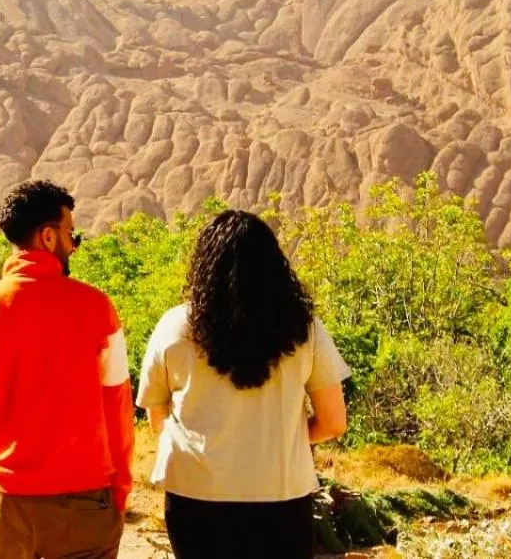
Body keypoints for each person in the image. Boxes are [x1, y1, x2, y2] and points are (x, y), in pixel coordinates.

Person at [136, 209, 350, 559]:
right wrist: (282, 438)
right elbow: (334, 421)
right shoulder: (303, 328)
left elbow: (157, 415)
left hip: (194, 495)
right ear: (273, 267)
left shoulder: (174, 326)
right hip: (280, 496)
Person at [0, 180, 135, 559]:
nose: (74, 244)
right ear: (48, 237)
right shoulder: (98, 309)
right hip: (88, 502)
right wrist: (120, 490)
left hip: (10, 506)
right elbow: (118, 406)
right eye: (71, 234)